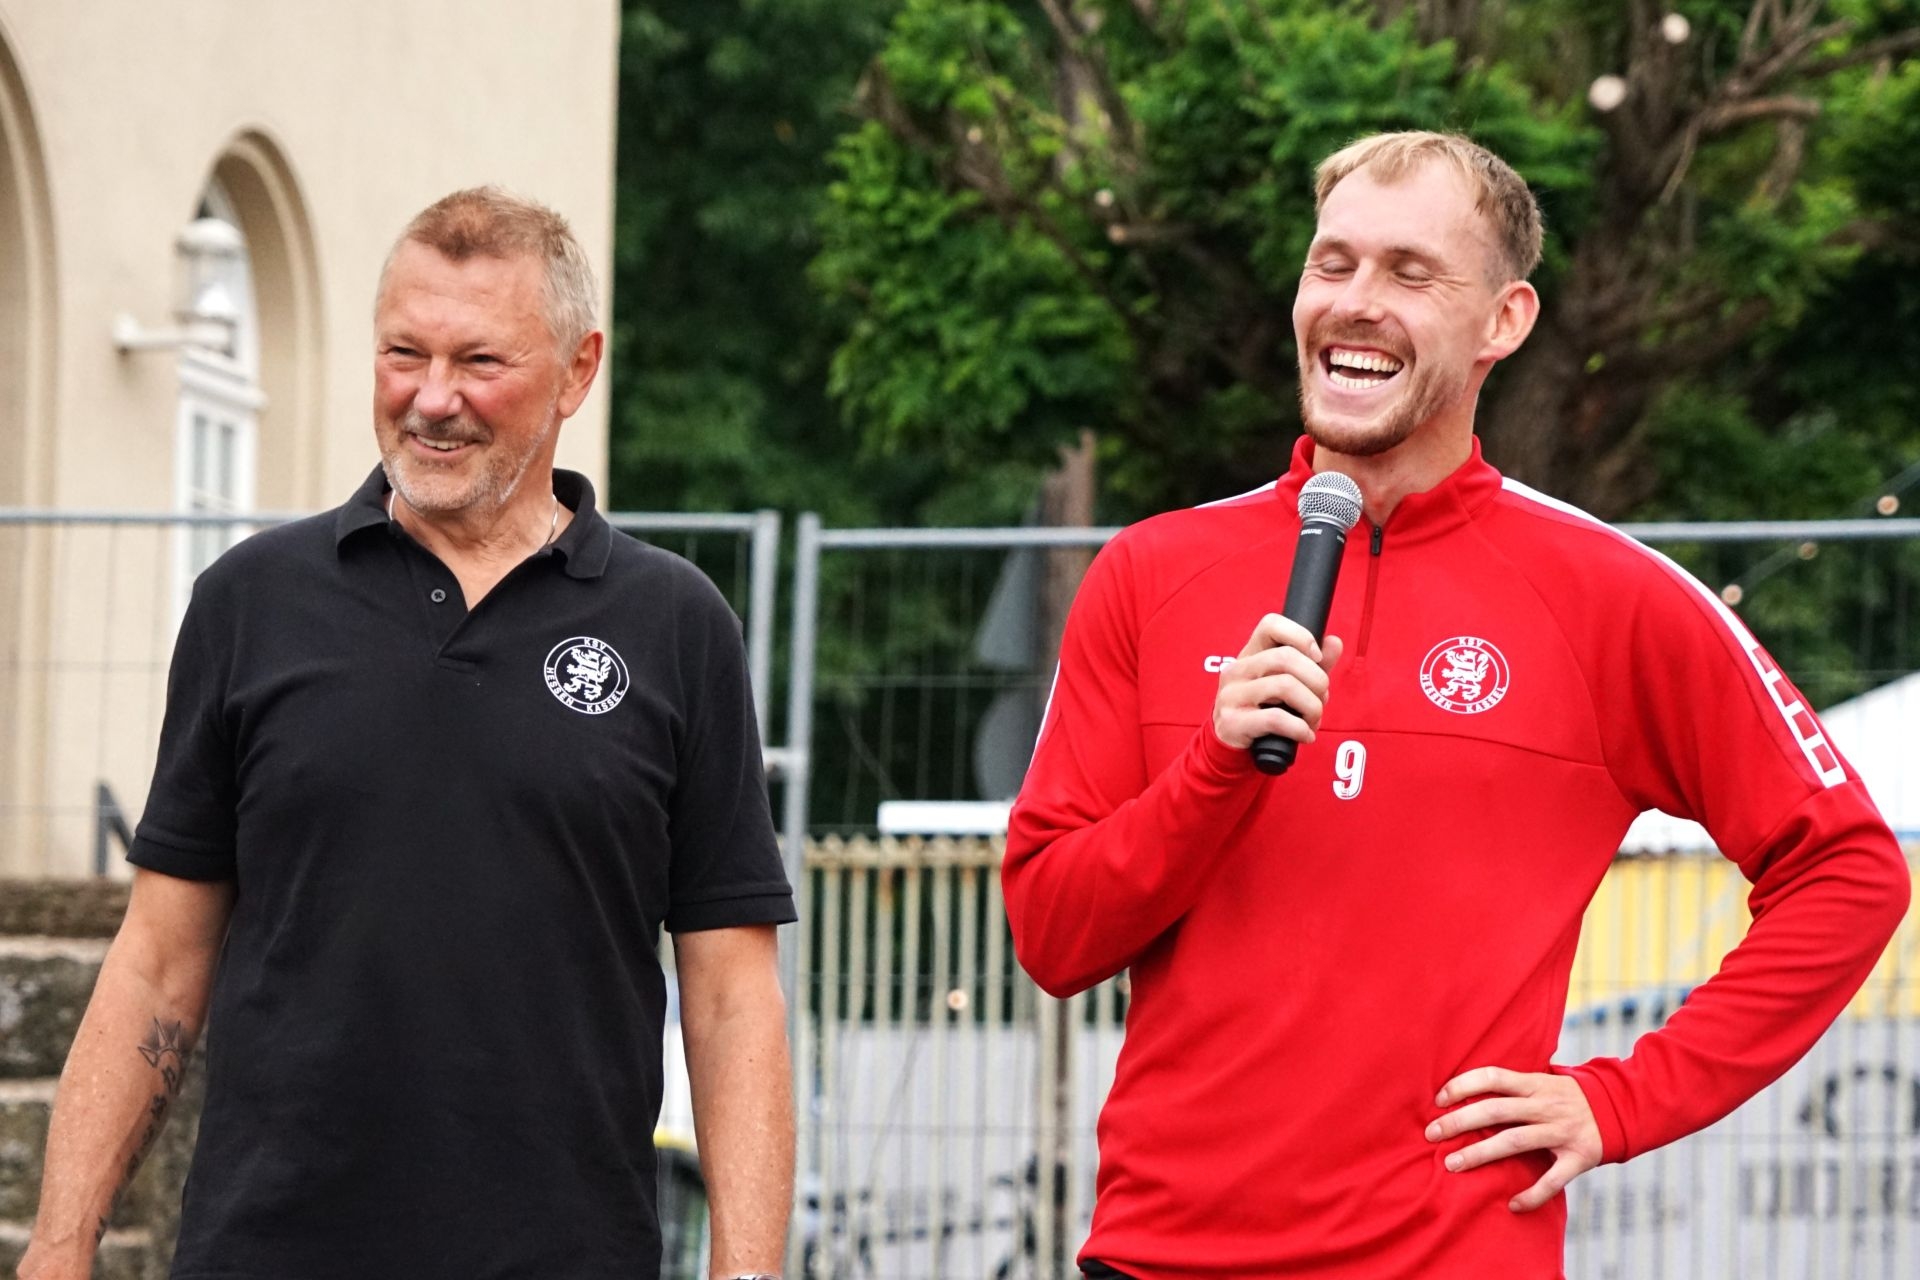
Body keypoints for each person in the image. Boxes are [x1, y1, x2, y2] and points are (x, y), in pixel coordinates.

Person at [1003, 132, 1912, 1279]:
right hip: (1158, 1257)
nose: (1356, 301)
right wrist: (1213, 767)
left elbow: (1848, 869)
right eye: (1333, 263)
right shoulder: (1150, 572)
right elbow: (1054, 936)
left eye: (1410, 271)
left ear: (1504, 320)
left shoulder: (1611, 595)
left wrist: (1624, 1097)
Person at [20, 189, 795, 1280]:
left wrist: (747, 1270)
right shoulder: (251, 602)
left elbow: (730, 997)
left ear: (577, 370)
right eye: (403, 353)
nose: (432, 399)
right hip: (269, 1254)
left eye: (479, 361)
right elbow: (157, 958)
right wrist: (59, 1246)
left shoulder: (674, 627)